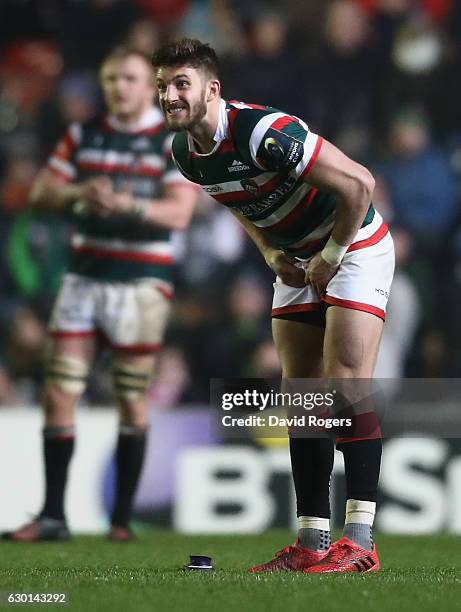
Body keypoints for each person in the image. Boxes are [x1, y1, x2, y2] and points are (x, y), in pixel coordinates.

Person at [151, 38, 394, 573]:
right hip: (297, 258)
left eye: (181, 84)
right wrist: (268, 251)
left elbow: (359, 183)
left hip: (352, 246)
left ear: (212, 89)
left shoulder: (263, 133)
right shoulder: (187, 155)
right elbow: (236, 200)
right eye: (163, 85)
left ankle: (360, 543)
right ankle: (311, 543)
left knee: (345, 387)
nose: (169, 95)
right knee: (302, 396)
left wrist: (332, 253)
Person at [2, 46, 197, 542]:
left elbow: (179, 214)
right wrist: (78, 194)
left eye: (129, 79)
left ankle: (121, 520)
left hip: (140, 285)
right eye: (111, 79)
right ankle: (52, 516)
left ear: (149, 84)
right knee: (58, 391)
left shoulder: (171, 141)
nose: (118, 88)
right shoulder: (83, 135)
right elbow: (44, 193)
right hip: (84, 279)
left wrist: (125, 204)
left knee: (131, 399)